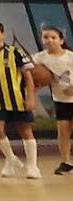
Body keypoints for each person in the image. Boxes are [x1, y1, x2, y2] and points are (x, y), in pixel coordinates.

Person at [0, 19, 42, 180]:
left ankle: (32, 166)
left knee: (25, 130)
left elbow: (28, 76)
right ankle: (11, 158)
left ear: (2, 34)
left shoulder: (14, 52)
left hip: (18, 98)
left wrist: (30, 96)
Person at [32, 25, 73, 176]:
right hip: (60, 99)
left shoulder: (70, 56)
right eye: (46, 37)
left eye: (53, 37)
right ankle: (66, 162)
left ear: (61, 40)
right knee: (63, 131)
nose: (49, 40)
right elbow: (27, 66)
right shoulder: (40, 57)